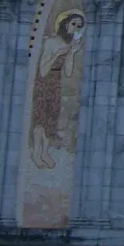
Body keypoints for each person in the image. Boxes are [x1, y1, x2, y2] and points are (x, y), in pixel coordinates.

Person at [30, 9, 84, 170]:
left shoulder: (68, 46)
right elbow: (43, 70)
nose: (74, 28)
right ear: (65, 23)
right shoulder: (51, 42)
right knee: (40, 120)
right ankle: (36, 153)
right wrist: (58, 53)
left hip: (56, 84)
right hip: (44, 82)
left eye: (79, 27)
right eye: (73, 24)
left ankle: (45, 152)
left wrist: (71, 54)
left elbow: (68, 72)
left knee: (51, 120)